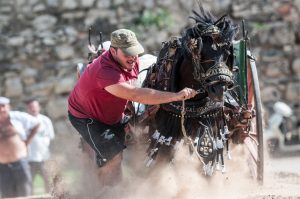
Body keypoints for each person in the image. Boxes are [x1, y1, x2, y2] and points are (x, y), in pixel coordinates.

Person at [68, 29, 197, 186]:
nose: (133, 57)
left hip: (111, 113)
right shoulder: (105, 72)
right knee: (114, 157)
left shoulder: (130, 61)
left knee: (135, 144)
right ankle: (102, 192)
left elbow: (131, 89)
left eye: (135, 52)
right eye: (127, 53)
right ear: (113, 51)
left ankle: (123, 188)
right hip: (88, 117)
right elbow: (136, 94)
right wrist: (176, 96)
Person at [0, 96, 40, 198]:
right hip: (3, 165)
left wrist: (27, 141)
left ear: (8, 107)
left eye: (3, 106)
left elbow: (36, 124)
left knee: (25, 193)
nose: (1, 109)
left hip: (20, 162)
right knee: (7, 195)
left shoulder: (17, 117)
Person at [26, 99, 55, 194]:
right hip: (29, 158)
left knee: (48, 182)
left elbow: (51, 138)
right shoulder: (24, 121)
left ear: (39, 107)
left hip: (44, 157)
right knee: (28, 183)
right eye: (31, 107)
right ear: (27, 109)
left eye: (35, 106)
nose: (33, 109)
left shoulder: (46, 120)